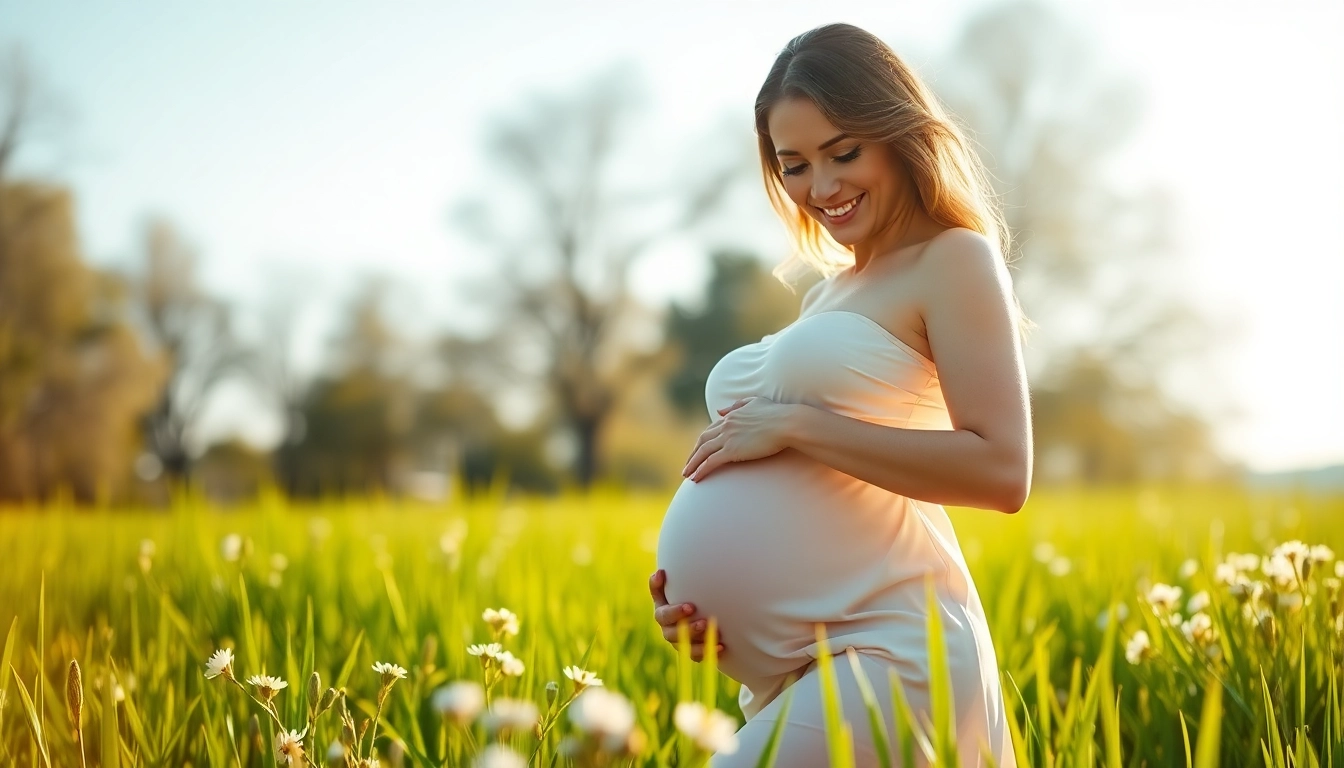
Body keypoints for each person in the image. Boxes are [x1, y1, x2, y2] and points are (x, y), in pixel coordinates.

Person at [649, 22, 1033, 768]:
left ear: (898, 133)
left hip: (894, 648)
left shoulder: (953, 260)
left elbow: (1001, 470)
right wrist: (711, 609)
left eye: (843, 153)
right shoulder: (828, 294)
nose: (820, 188)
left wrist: (794, 425)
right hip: (809, 659)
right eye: (793, 165)